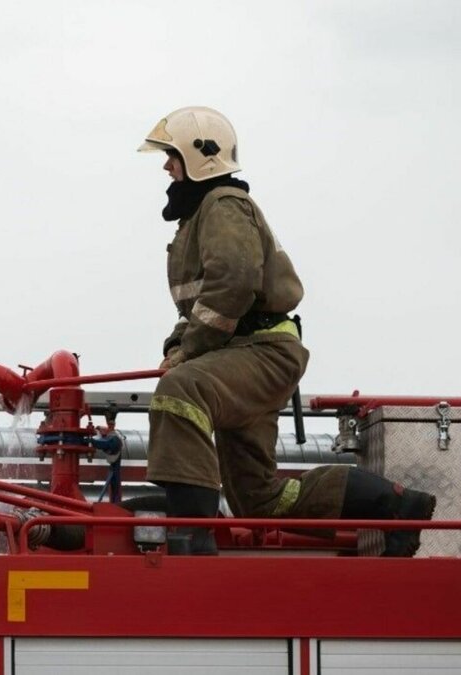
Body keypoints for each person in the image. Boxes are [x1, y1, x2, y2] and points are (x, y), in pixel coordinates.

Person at [136, 106, 436, 555]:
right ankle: (396, 505)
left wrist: (188, 351)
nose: (165, 167)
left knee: (180, 393)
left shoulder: (222, 204)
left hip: (260, 353)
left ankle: (192, 537)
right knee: (259, 502)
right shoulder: (200, 219)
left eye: (171, 157)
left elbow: (234, 283)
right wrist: (180, 343)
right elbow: (204, 304)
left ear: (199, 158)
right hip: (244, 355)